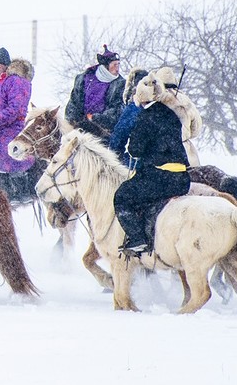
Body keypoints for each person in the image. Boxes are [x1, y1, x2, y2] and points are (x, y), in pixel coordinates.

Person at [112, 72, 190, 256]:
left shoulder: (145, 116)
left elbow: (135, 150)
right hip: (182, 178)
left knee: (122, 197)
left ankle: (138, 238)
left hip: (161, 178)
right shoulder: (171, 114)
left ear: (141, 97)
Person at [65, 44, 126, 138]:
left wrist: (96, 118)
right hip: (80, 129)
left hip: (103, 132)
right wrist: (74, 121)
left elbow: (117, 109)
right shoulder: (83, 79)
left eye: (118, 64)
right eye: (114, 65)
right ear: (105, 66)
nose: (117, 68)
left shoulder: (120, 84)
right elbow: (74, 102)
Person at [108, 67, 149, 168]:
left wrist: (118, 159)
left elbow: (118, 138)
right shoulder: (162, 108)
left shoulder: (133, 109)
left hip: (140, 163)